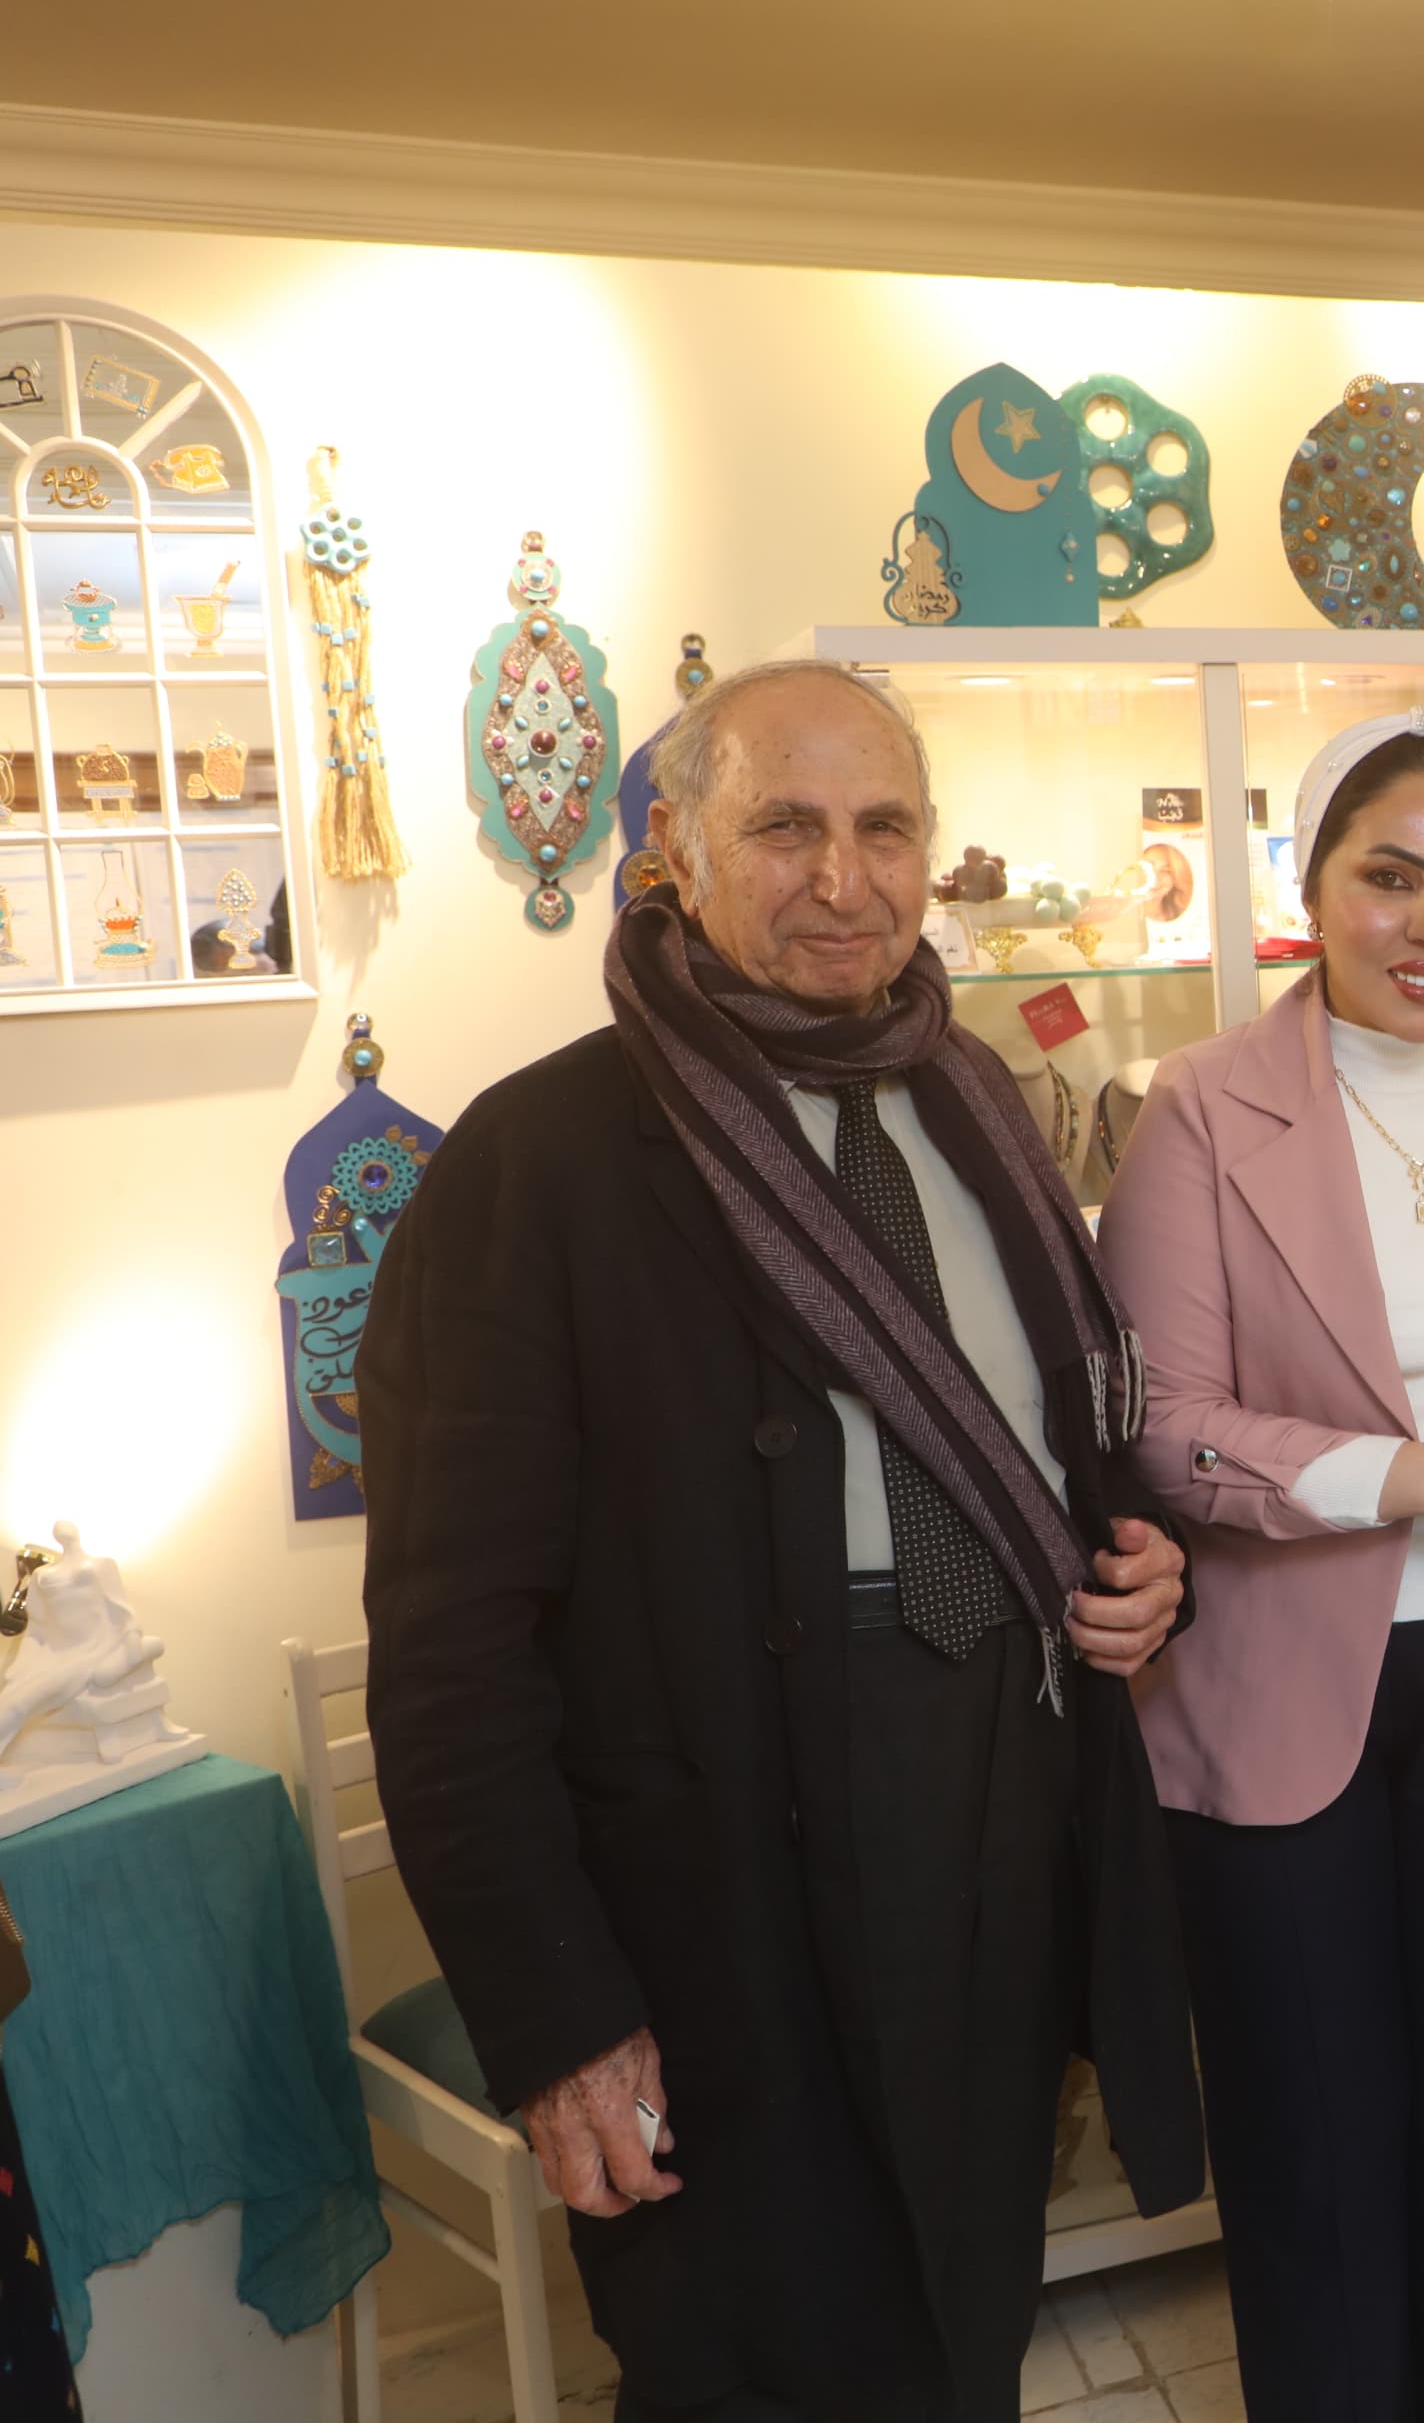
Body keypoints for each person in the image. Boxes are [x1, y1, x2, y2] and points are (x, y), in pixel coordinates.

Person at [361, 660, 1203, 2422]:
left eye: (884, 828)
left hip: (996, 1823)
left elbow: (1054, 1448)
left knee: (962, 2335)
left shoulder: (978, 1100)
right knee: (753, 2363)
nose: (843, 879)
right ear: (676, 848)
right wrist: (560, 2021)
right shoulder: (538, 1163)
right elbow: (449, 1652)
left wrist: (1134, 1567)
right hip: (722, 1891)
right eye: (784, 828)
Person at [1094, 713, 1424, 2421]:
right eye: (1391, 878)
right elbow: (1167, 1431)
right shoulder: (1198, 1107)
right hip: (1283, 1697)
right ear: (1310, 889)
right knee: (1314, 2153)